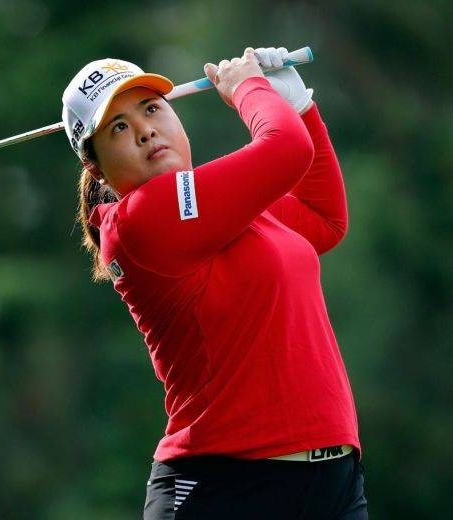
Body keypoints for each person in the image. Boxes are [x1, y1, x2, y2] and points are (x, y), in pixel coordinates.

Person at [61, 47, 368, 519]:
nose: (145, 130)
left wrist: (300, 107)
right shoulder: (142, 218)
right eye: (118, 127)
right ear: (96, 169)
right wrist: (249, 87)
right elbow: (285, 150)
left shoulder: (217, 203)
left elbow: (323, 219)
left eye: (151, 109)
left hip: (333, 484)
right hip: (225, 487)